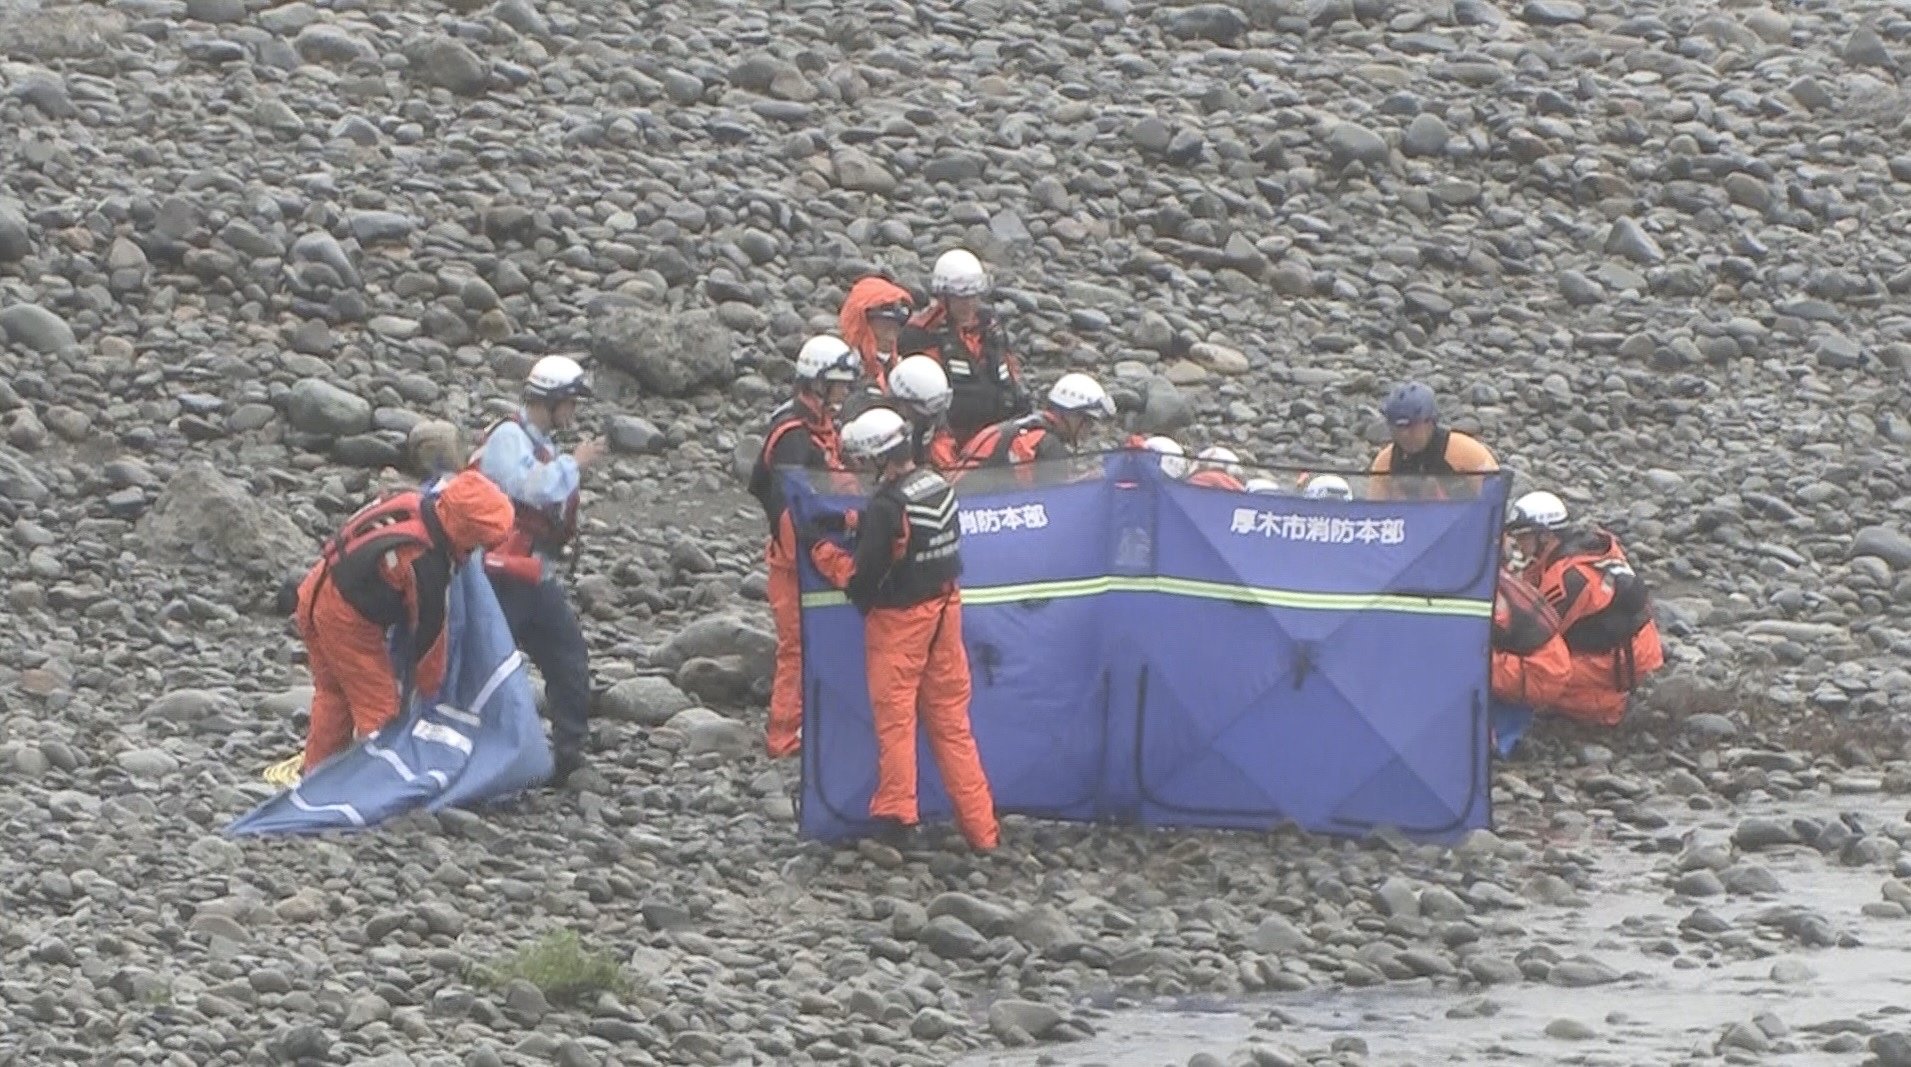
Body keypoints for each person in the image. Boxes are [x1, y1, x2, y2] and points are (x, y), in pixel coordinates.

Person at [803, 407, 998, 852]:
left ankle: (897, 816)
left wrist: (821, 551)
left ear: (877, 458)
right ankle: (983, 831)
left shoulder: (886, 507)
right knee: (952, 726)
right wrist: (856, 523)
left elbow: (860, 580)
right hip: (946, 611)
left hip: (900, 624)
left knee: (896, 721)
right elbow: (906, 532)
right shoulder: (934, 483)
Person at [293, 470, 515, 773]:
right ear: (465, 531)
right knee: (380, 712)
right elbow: (429, 639)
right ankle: (380, 785)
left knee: (334, 694)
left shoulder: (413, 502)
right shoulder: (426, 563)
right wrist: (430, 700)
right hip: (345, 620)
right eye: (478, 543)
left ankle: (315, 775)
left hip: (315, 586)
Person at [469, 355, 606, 786]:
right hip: (500, 576)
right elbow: (531, 488)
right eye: (571, 404)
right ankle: (474, 755)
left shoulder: (541, 447)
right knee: (490, 667)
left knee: (568, 659)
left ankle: (568, 754)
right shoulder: (508, 437)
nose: (574, 414)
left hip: (533, 573)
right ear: (553, 401)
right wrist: (576, 464)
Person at [747, 334, 864, 759]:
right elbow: (793, 507)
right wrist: (842, 523)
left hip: (820, 552)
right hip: (801, 559)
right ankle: (782, 736)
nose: (844, 393)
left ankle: (814, 724)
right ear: (815, 383)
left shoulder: (816, 427)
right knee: (796, 648)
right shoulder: (794, 437)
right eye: (837, 384)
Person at [1503, 490, 1665, 727]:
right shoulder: (1586, 548)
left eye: (1524, 538)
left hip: (1621, 661)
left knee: (1533, 675)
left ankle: (1608, 705)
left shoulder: (1569, 580)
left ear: (1545, 537)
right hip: (1636, 646)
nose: (1519, 545)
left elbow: (1533, 635)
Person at [899, 249, 1029, 447]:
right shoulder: (922, 335)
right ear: (944, 297)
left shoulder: (991, 326)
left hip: (1000, 432)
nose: (968, 305)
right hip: (950, 439)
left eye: (973, 296)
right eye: (961, 298)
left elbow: (1012, 372)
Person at [951, 373, 1115, 486]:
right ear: (1068, 415)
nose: (1089, 429)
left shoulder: (1022, 426)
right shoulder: (1048, 444)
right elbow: (1054, 500)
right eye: (1086, 420)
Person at [1487, 566, 1574, 754]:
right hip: (1549, 665)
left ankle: (1490, 737)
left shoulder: (1484, 591)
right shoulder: (1495, 576)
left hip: (1539, 672)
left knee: (1463, 659)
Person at [1368, 381, 1498, 501]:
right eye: (1397, 428)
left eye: (1411, 426)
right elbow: (1375, 513)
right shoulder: (1385, 462)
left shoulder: (1467, 452)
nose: (1404, 434)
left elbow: (1493, 503)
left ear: (1430, 422)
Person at [837, 275, 916, 390]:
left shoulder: (900, 372)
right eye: (885, 327)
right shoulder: (839, 370)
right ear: (860, 325)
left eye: (896, 328)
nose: (891, 337)